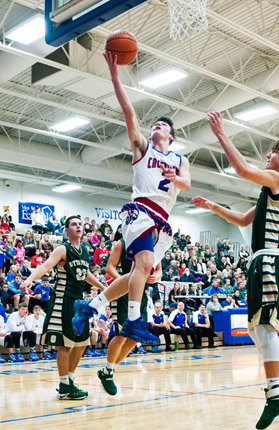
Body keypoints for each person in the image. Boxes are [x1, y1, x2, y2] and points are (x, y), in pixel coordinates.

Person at [191, 111, 279, 430]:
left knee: (265, 327)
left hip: (270, 260)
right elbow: (243, 220)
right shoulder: (271, 194)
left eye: (271, 152)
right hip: (260, 261)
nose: (266, 155)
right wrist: (213, 207)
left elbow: (242, 169)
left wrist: (220, 134)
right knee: (256, 327)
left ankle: (275, 393)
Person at [72, 49, 191, 345]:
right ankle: (134, 319)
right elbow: (129, 112)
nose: (156, 126)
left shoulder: (179, 159)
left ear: (172, 136)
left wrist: (177, 179)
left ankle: (91, 306)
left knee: (141, 270)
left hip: (163, 220)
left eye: (162, 125)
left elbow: (187, 184)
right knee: (145, 261)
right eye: (155, 125)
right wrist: (115, 76)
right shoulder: (142, 147)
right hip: (140, 210)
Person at [21, 215, 105, 400]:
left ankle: (69, 380)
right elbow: (45, 266)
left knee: (82, 343)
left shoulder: (84, 249)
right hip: (62, 300)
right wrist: (29, 279)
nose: (78, 227)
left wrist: (103, 287)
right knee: (64, 345)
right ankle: (64, 384)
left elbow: (87, 273)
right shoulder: (62, 249)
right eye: (74, 224)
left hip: (79, 303)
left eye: (80, 224)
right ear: (66, 230)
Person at [97, 238, 161, 395]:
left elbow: (159, 269)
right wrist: (124, 280)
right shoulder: (122, 243)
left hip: (141, 293)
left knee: (134, 338)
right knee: (121, 336)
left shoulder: (154, 243)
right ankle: (109, 373)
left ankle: (107, 371)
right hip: (123, 294)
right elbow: (109, 266)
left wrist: (157, 276)